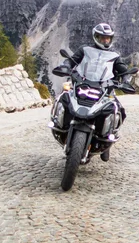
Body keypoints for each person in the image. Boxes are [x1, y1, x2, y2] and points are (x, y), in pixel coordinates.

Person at [57, 23, 134, 160]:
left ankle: (109, 135)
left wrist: (126, 80)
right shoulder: (85, 50)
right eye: (102, 37)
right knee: (65, 98)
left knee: (119, 110)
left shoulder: (114, 56)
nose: (105, 40)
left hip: (105, 88)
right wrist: (65, 66)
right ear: (95, 37)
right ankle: (62, 126)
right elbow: (72, 60)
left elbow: (123, 70)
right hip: (83, 83)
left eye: (108, 38)